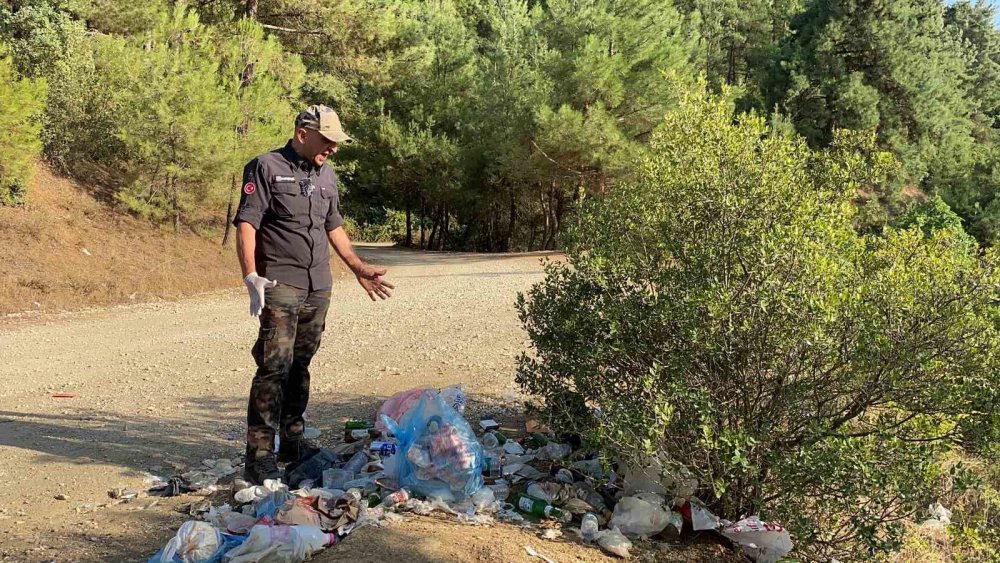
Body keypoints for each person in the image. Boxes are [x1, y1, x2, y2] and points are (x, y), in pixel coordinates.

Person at [233, 105, 394, 484]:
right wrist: (251, 276)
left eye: (336, 142)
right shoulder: (265, 167)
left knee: (300, 366)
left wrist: (358, 268)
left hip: (317, 285)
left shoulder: (327, 174)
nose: (333, 149)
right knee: (274, 367)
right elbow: (247, 224)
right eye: (327, 140)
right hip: (281, 283)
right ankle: (259, 458)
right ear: (303, 133)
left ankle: (292, 443)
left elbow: (333, 226)